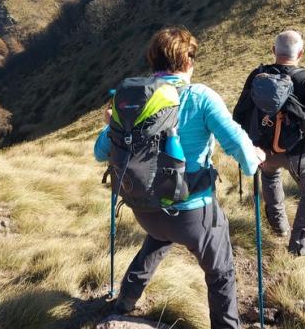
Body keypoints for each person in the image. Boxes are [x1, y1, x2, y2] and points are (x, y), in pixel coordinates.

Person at [94, 27, 265, 328]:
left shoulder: (134, 101)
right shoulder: (200, 97)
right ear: (187, 61)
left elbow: (100, 151)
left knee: (157, 239)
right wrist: (255, 161)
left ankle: (126, 299)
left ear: (153, 61)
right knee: (220, 271)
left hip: (145, 210)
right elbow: (237, 144)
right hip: (193, 215)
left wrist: (111, 125)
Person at [233, 30, 305, 257]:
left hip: (263, 150)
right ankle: (299, 244)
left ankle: (279, 226)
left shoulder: (257, 75)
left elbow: (239, 113)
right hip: (297, 152)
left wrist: (249, 143)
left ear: (274, 51)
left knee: (271, 177)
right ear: (301, 53)